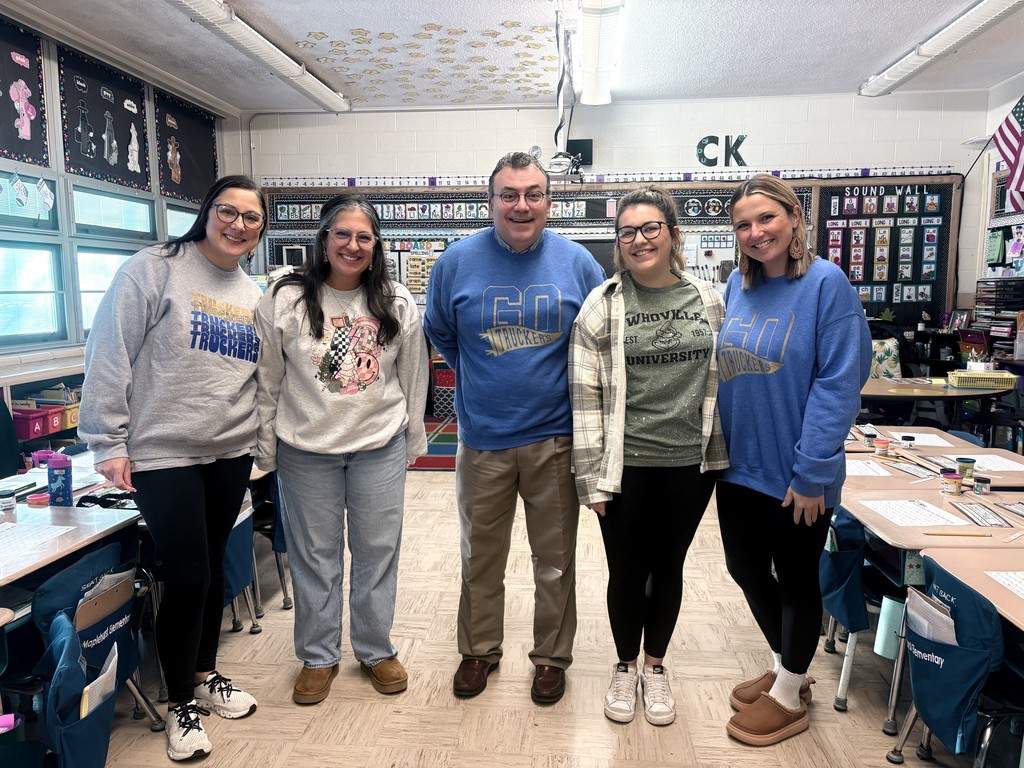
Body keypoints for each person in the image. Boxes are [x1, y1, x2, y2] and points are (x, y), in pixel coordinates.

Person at [79, 175, 267, 762]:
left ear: (262, 230)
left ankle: (206, 673)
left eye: (251, 218)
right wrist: (106, 441)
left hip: (229, 451)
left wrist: (261, 443)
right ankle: (180, 703)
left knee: (209, 569)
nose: (237, 225)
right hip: (164, 451)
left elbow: (259, 378)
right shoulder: (153, 267)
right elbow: (109, 350)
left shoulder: (252, 292)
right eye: (227, 211)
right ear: (206, 212)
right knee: (185, 574)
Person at [423, 151, 605, 704]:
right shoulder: (456, 261)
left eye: (533, 194)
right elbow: (442, 333)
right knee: (480, 558)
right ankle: (478, 651)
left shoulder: (579, 265)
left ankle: (551, 657)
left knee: (554, 561)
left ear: (550, 201)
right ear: (491, 200)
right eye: (509, 194)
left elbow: (596, 342)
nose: (521, 205)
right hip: (482, 441)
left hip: (555, 439)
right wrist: (486, 377)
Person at [715, 174, 871, 746]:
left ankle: (789, 693)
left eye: (767, 219)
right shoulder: (738, 284)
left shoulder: (827, 285)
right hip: (739, 467)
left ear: (794, 218)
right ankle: (791, 666)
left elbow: (839, 384)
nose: (756, 233)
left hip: (798, 474)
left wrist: (813, 472)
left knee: (798, 579)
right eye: (743, 225)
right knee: (744, 568)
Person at [254, 194, 428, 706]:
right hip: (305, 448)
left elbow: (413, 377)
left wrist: (412, 440)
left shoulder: (396, 301)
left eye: (364, 237)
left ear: (376, 246)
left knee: (377, 552)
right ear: (324, 239)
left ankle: (375, 650)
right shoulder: (284, 297)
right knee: (314, 556)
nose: (353, 245)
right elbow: (267, 378)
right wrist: (266, 447)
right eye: (343, 235)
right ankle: (317, 655)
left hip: (378, 445)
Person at [569, 185, 728, 726]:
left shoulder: (709, 299)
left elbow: (726, 382)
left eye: (650, 228)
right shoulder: (603, 303)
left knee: (669, 566)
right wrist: (593, 480)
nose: (639, 240)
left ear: (673, 234)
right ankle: (624, 664)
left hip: (691, 464)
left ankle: (655, 667)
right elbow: (585, 395)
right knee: (626, 569)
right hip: (624, 465)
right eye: (627, 232)